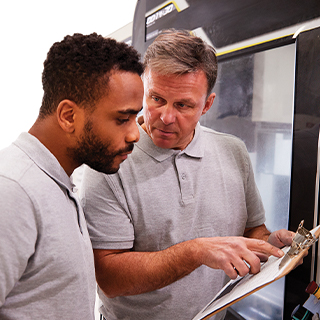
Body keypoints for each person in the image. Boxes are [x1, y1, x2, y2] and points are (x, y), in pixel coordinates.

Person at [80, 29, 294, 320]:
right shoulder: (108, 164)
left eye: (183, 105)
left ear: (207, 104)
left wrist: (270, 247)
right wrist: (196, 252)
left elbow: (251, 233)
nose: (166, 117)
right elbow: (110, 278)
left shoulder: (233, 152)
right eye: (156, 98)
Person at [0, 33, 144, 319]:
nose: (135, 134)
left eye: (136, 118)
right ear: (68, 116)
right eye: (121, 119)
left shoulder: (58, 181)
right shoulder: (13, 190)